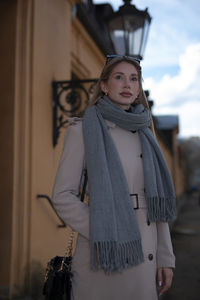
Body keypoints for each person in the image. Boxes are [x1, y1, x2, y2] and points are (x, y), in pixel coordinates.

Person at [52, 55, 176, 300]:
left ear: (139, 87)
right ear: (104, 85)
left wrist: (165, 257)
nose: (127, 84)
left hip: (145, 252)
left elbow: (157, 203)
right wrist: (102, 227)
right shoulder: (82, 130)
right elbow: (62, 195)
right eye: (119, 77)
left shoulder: (146, 133)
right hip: (102, 256)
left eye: (133, 79)